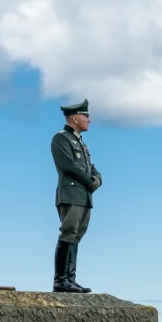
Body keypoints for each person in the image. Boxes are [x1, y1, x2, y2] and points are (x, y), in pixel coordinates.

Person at [50, 98, 102, 293]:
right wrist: (90, 181)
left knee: (77, 236)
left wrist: (97, 180)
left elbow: (92, 168)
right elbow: (69, 166)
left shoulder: (81, 143)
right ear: (74, 118)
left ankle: (70, 279)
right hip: (70, 193)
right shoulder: (61, 138)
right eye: (85, 116)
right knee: (68, 233)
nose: (89, 120)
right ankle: (60, 280)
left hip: (84, 197)